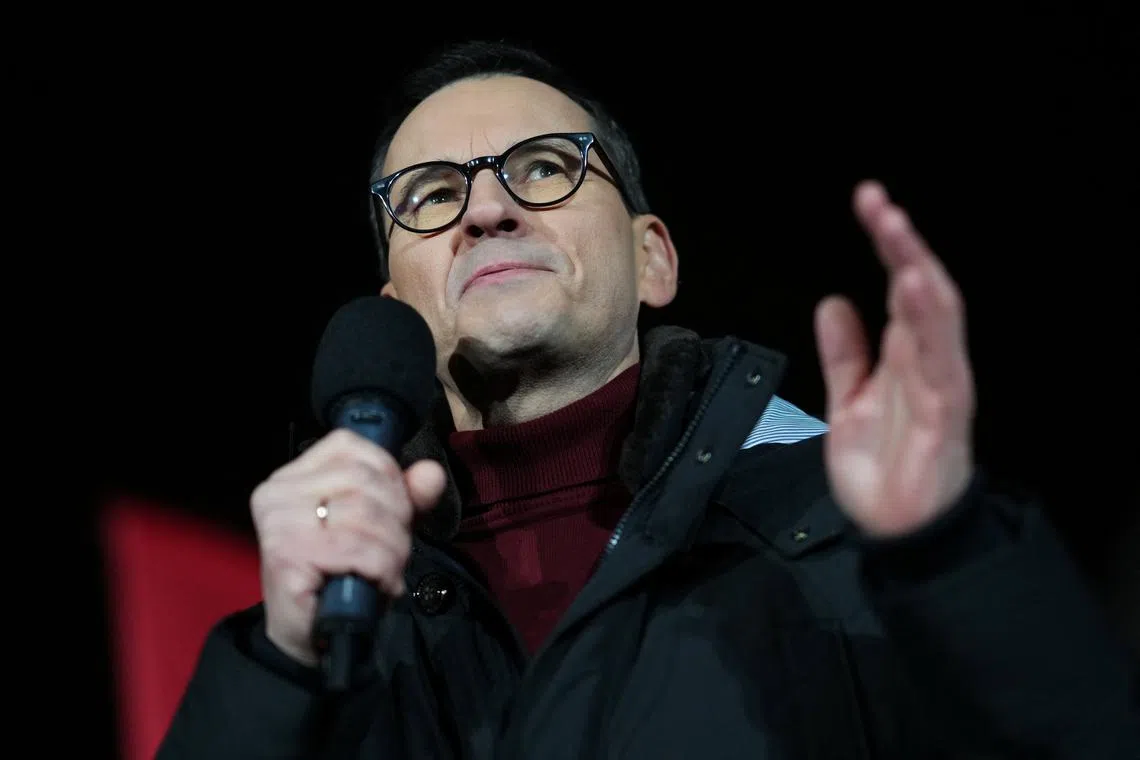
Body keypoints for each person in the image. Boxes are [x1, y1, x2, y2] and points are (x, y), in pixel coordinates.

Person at [158, 39, 1139, 759]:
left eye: (544, 168)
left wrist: (954, 553)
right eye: (429, 195)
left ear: (652, 256)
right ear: (394, 306)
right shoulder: (326, 609)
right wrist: (277, 666)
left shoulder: (849, 524)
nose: (489, 208)